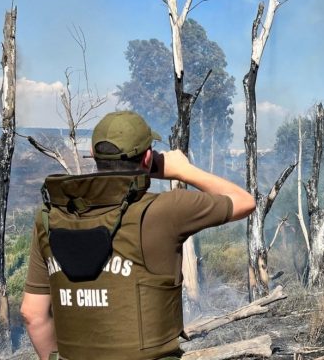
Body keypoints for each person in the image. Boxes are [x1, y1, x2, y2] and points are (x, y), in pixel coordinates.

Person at [20, 111, 255, 360]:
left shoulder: (49, 218)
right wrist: (183, 171)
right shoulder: (165, 210)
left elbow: (32, 314)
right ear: (147, 158)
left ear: (93, 154)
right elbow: (244, 202)